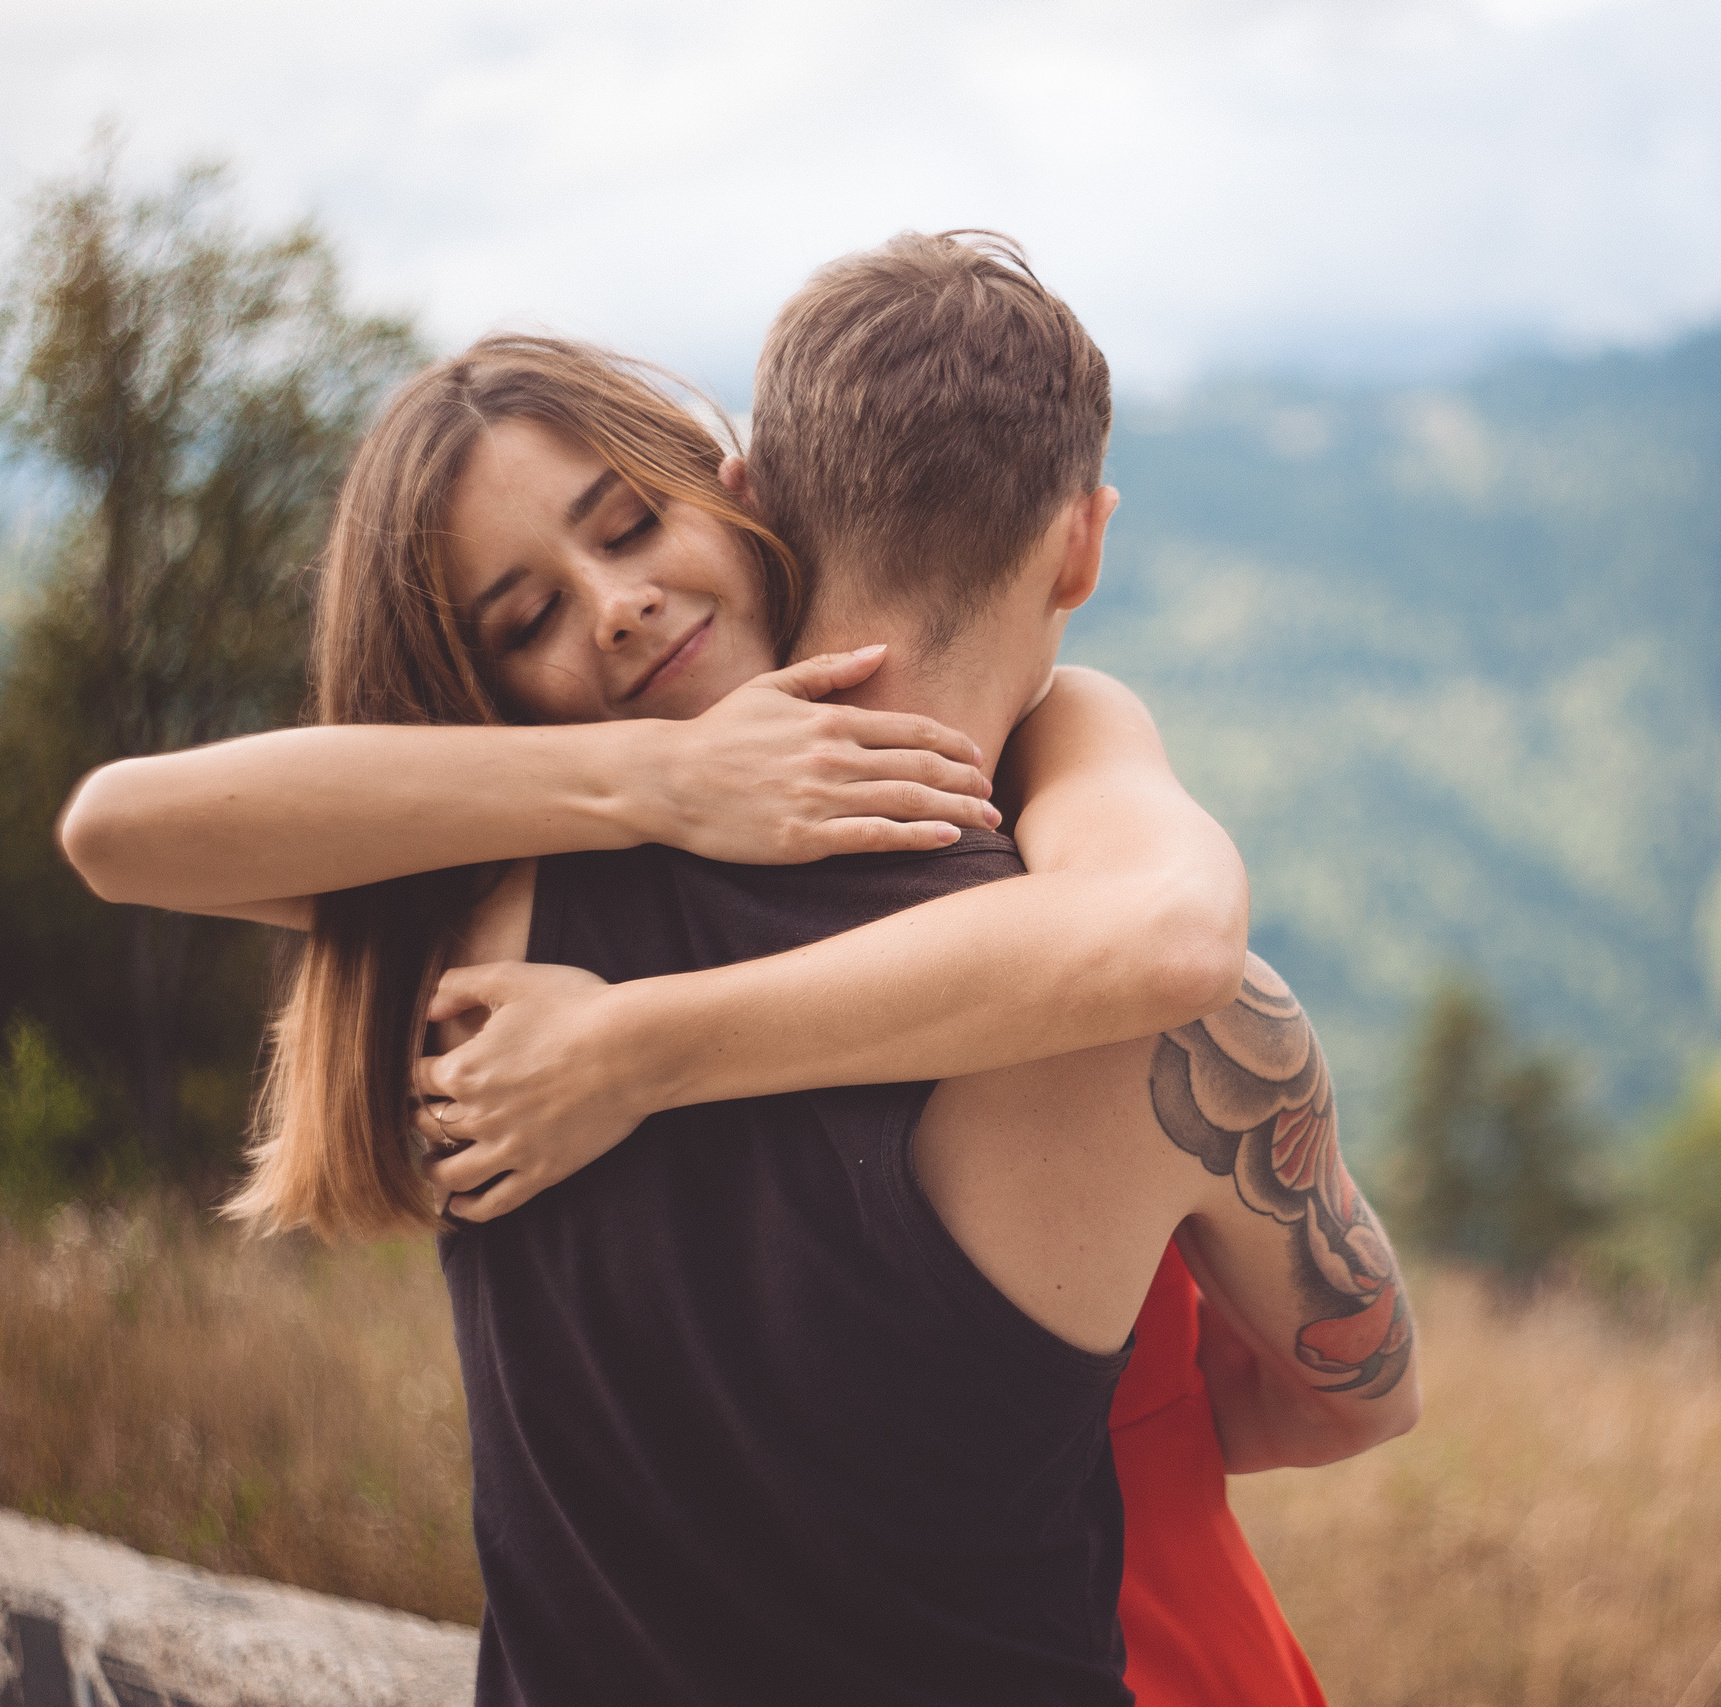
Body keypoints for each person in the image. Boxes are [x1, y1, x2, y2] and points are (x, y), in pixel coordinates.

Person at [61, 240, 1412, 1703]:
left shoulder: (493, 934)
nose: (620, 606)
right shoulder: (1117, 992)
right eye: (525, 619)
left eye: (632, 524)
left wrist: (638, 1046)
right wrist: (656, 779)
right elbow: (116, 829)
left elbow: (1160, 932)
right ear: (1080, 546)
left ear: (743, 488)